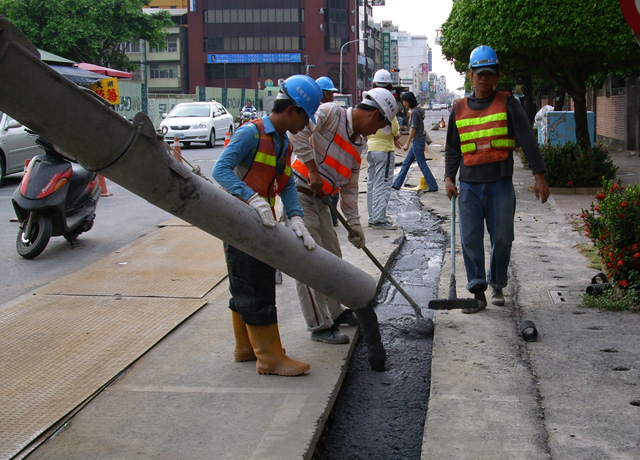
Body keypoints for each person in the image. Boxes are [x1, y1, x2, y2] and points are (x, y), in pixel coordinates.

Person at [212, 75, 322, 376]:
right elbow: (219, 170)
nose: (305, 125)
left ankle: (246, 348)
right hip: (239, 220)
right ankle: (269, 357)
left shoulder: (281, 141)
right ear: (291, 110)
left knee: (244, 283)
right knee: (256, 284)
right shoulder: (251, 133)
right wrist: (252, 198)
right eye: (305, 118)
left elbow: (285, 183)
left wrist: (296, 216)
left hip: (257, 222)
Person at [444, 45, 550, 313]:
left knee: (502, 237)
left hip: (500, 184)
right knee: (470, 239)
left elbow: (527, 140)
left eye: (489, 74)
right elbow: (453, 148)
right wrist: (448, 177)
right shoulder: (458, 108)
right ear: (471, 76)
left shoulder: (509, 103)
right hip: (468, 185)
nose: (484, 78)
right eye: (479, 73)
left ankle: (498, 282)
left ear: (497, 76)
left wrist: (539, 175)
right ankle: (477, 291)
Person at [289, 87, 398, 346]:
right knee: (308, 261)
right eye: (380, 126)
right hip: (299, 193)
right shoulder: (329, 112)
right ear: (374, 116)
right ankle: (319, 326)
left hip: (323, 200)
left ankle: (335, 311)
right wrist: (313, 170)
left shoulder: (358, 144)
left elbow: (349, 187)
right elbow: (298, 133)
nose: (375, 132)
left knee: (333, 257)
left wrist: (355, 225)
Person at [366, 69, 403, 229]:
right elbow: (394, 128)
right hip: (385, 149)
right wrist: (396, 135)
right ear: (389, 85)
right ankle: (379, 219)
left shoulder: (368, 100)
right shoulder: (387, 101)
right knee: (384, 183)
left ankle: (372, 216)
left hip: (371, 148)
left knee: (372, 183)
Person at [392, 91, 439, 192]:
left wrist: (407, 143)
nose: (403, 104)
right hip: (417, 142)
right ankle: (396, 184)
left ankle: (433, 186)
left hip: (417, 142)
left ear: (408, 102)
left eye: (404, 102)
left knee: (422, 164)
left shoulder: (414, 112)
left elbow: (413, 129)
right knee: (406, 163)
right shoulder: (416, 111)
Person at [315, 76, 341, 227]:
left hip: (331, 157)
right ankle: (329, 218)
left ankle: (333, 217)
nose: (332, 96)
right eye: (330, 93)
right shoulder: (319, 112)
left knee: (333, 190)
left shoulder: (331, 111)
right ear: (323, 94)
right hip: (321, 158)